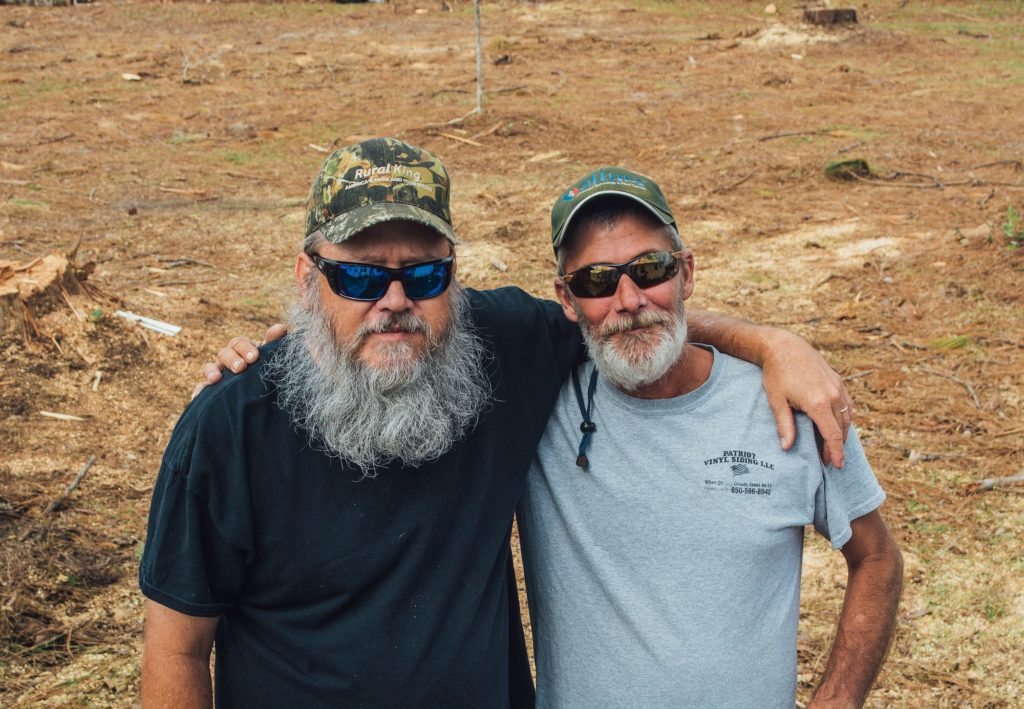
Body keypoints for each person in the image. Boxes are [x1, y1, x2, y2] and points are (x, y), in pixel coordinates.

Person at [158, 137, 853, 707]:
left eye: (425, 276)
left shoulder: (499, 347)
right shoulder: (229, 430)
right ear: (311, 280)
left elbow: (623, 311)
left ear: (453, 279)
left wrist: (768, 342)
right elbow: (175, 652)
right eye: (362, 278)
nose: (395, 300)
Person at [515, 168, 903, 707]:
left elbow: (877, 557)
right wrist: (767, 338)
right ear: (566, 298)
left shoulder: (788, 403)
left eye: (650, 270)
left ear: (687, 273)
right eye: (597, 281)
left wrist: (837, 699)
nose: (628, 300)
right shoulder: (532, 403)